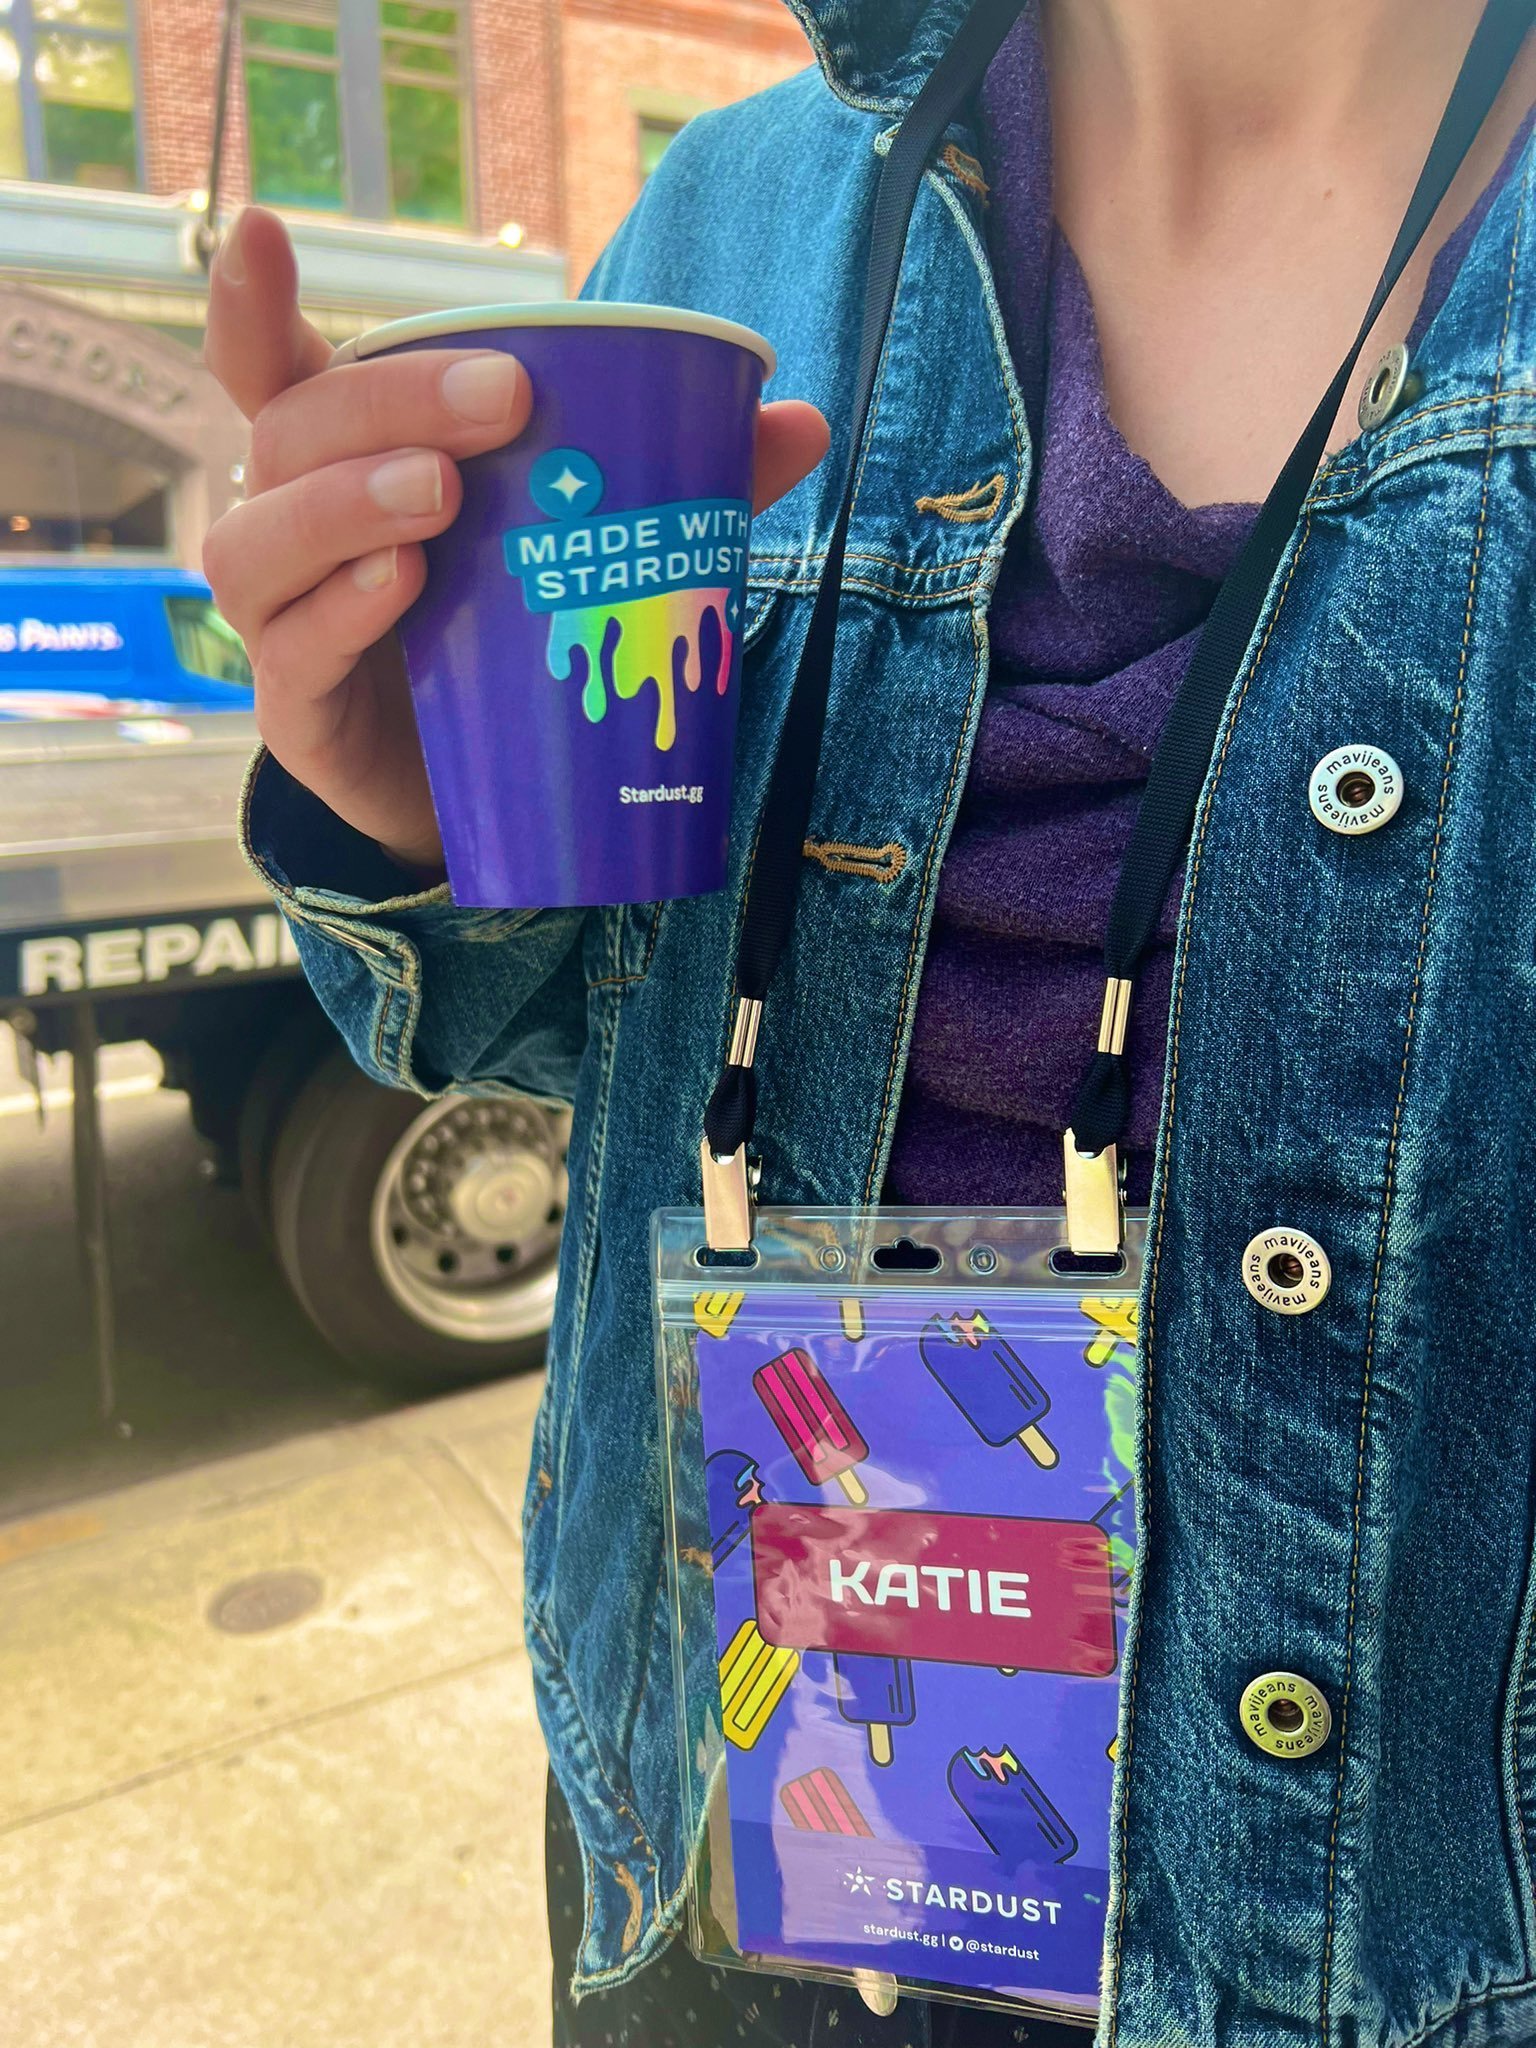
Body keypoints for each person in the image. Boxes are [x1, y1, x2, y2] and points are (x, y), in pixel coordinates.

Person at [202, 2, 1536, 2042]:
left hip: (1399, 1945)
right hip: (733, 1862)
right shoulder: (733, 219)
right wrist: (411, 805)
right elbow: (577, 1040)